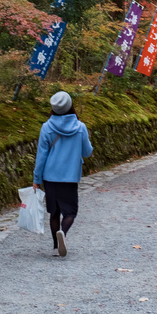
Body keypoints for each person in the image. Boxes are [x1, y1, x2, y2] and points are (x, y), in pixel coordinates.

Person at [33, 90, 93, 258]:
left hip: (50, 176)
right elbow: (87, 152)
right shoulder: (80, 127)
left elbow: (41, 156)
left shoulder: (46, 127)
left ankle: (54, 247)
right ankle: (63, 233)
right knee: (70, 212)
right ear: (70, 106)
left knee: (54, 212)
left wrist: (36, 179)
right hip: (70, 177)